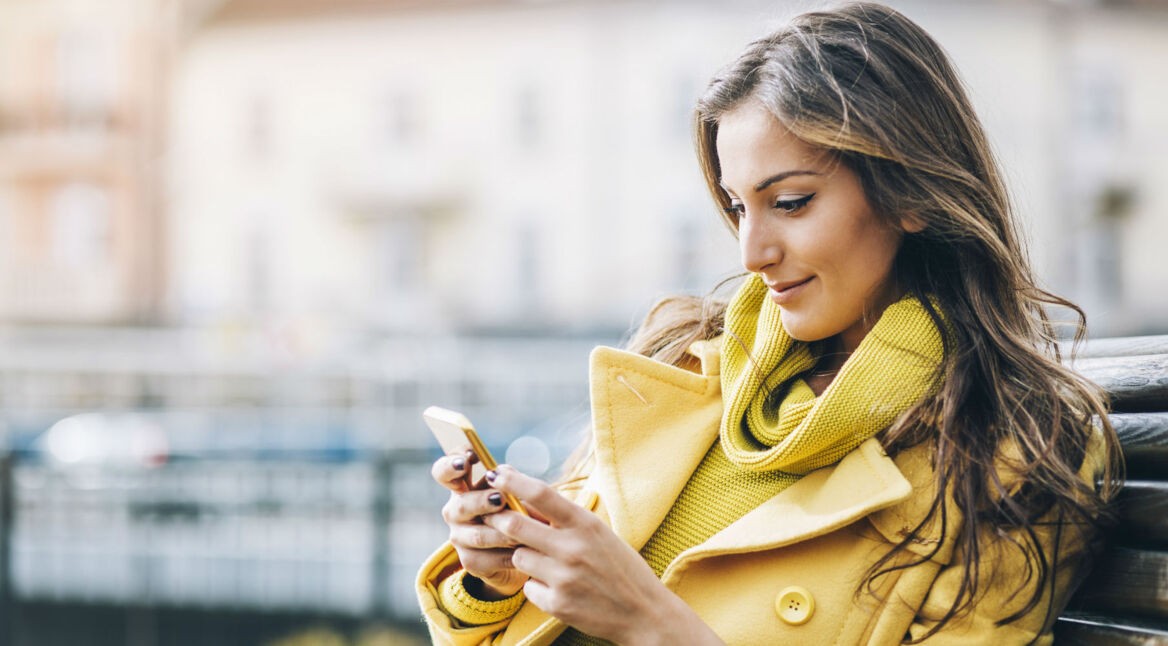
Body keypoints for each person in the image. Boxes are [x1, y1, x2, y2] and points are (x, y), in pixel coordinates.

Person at [417, 2, 1123, 644]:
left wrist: (651, 624)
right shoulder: (690, 358)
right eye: (737, 208)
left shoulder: (1010, 455)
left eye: (789, 203)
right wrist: (497, 578)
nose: (752, 254)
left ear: (911, 194)